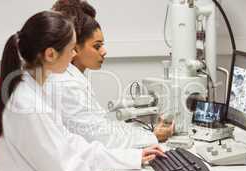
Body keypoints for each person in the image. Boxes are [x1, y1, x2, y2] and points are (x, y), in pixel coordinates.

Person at [0, 10, 192, 171]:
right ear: (50, 54)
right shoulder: (29, 106)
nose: (73, 56)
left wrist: (132, 157)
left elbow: (72, 146)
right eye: (71, 49)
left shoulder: (34, 90)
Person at [50, 0, 174, 149]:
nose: (104, 51)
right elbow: (100, 137)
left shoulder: (74, 78)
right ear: (74, 47)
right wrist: (153, 137)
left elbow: (102, 127)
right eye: (97, 46)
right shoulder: (67, 84)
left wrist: (148, 135)